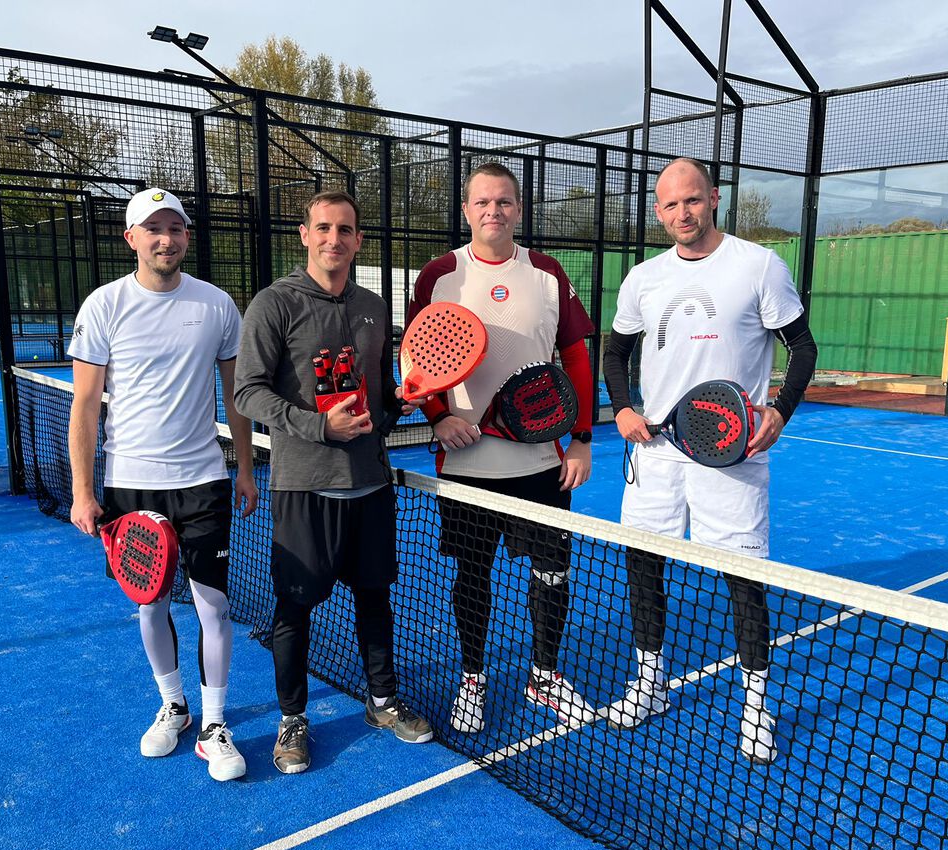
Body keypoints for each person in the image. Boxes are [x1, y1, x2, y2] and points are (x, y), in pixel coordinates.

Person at [601, 157, 818, 764]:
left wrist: (780, 411)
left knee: (742, 576)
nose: (683, 213)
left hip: (732, 452)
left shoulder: (758, 265)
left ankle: (756, 704)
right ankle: (649, 682)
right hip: (655, 455)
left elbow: (802, 347)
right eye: (670, 204)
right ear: (658, 210)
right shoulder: (642, 279)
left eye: (692, 200)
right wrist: (622, 408)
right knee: (643, 564)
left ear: (714, 198)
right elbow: (615, 354)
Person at [234, 190, 432, 775]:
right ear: (304, 234)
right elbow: (247, 392)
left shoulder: (373, 307)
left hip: (370, 484)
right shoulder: (274, 304)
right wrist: (319, 426)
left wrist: (399, 400)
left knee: (375, 598)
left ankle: (382, 702)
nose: (333, 239)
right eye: (323, 228)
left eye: (345, 230)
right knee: (294, 608)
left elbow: (377, 392)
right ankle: (292, 719)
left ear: (358, 240)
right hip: (303, 487)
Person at [68, 187, 258, 782]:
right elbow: (84, 406)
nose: (165, 239)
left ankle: (214, 724)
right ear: (131, 239)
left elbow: (237, 395)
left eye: (174, 228)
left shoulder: (217, 305)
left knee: (213, 606)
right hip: (130, 485)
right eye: (152, 229)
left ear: (186, 237)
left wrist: (245, 467)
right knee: (149, 604)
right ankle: (174, 705)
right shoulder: (103, 306)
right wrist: (82, 490)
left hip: (203, 480)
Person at [407, 162, 596, 733]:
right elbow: (417, 357)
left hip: (541, 463)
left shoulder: (546, 272)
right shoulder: (439, 275)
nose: (494, 211)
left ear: (519, 208)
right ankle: (473, 679)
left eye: (505, 201)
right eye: (483, 202)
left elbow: (576, 357)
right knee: (472, 576)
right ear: (466, 210)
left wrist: (581, 439)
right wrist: (438, 417)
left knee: (553, 572)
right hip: (467, 464)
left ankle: (544, 676)